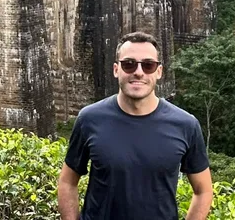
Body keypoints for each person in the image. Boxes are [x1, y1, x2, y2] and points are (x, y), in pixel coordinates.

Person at [58, 31, 213, 220]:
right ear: (116, 69)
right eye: (129, 64)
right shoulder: (89, 119)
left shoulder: (186, 125)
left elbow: (203, 190)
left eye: (148, 65)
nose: (138, 72)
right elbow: (67, 182)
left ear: (159, 71)